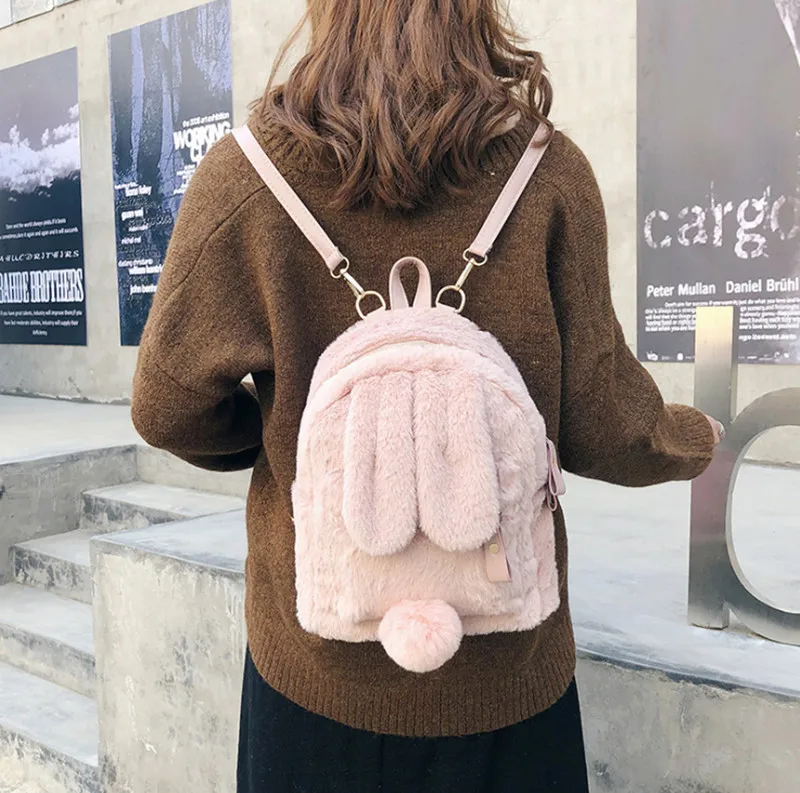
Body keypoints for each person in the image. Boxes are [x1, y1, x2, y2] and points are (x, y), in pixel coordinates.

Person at [131, 1, 722, 790]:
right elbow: (605, 423)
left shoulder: (245, 177)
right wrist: (695, 437)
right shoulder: (549, 173)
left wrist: (279, 440)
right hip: (505, 680)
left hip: (314, 679)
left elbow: (166, 406)